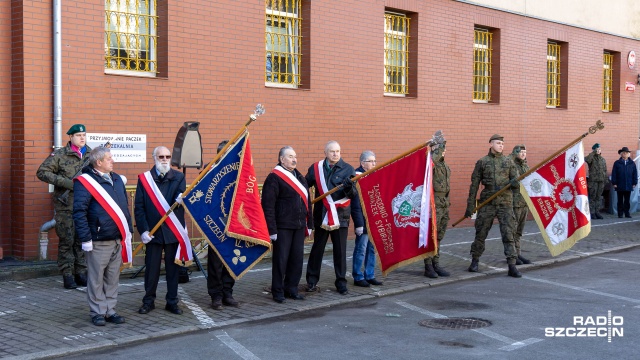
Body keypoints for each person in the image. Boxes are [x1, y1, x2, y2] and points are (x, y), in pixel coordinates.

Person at [73, 146, 132, 326]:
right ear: (99, 162)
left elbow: (124, 208)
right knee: (96, 278)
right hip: (98, 240)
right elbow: (79, 211)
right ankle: (98, 311)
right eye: (109, 158)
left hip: (117, 237)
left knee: (113, 277)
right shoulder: (85, 182)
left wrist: (127, 231)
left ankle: (110, 310)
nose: (112, 160)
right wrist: (86, 239)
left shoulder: (117, 179)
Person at [37, 124, 92, 289]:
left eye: (84, 135)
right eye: (78, 135)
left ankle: (81, 273)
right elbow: (42, 172)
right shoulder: (60, 155)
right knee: (67, 240)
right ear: (71, 137)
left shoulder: (90, 154)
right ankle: (68, 275)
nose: (82, 138)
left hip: (85, 204)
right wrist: (68, 183)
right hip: (66, 205)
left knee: (82, 239)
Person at [305, 141, 363, 295]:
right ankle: (311, 280)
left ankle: (341, 282)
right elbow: (304, 187)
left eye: (338, 151)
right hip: (322, 215)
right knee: (317, 250)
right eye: (332, 151)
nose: (335, 154)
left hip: (340, 217)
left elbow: (353, 196)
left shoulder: (348, 169)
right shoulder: (315, 168)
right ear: (325, 152)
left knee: (340, 251)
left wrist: (349, 187)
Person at [135, 146, 186, 315]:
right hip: (153, 232)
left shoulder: (179, 177)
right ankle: (148, 301)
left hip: (172, 231)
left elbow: (179, 202)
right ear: (154, 158)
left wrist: (182, 200)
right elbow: (139, 207)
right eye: (161, 156)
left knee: (173, 270)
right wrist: (143, 230)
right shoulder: (145, 179)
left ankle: (172, 301)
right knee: (151, 270)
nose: (165, 159)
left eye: (167, 156)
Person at [464, 134, 521, 278]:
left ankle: (512, 265)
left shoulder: (509, 162)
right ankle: (475, 260)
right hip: (487, 202)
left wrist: (515, 184)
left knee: (509, 233)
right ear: (491, 144)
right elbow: (474, 185)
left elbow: (517, 185)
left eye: (502, 143)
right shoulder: (482, 162)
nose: (501, 145)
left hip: (505, 203)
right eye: (498, 143)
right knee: (481, 232)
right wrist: (470, 206)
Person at [261, 146, 313, 303]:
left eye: (295, 156)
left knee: (296, 260)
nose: (294, 159)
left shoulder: (300, 177)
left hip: (298, 225)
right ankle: (277, 291)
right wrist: (272, 229)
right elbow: (268, 206)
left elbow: (308, 203)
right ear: (282, 159)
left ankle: (292, 288)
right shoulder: (274, 178)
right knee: (280, 260)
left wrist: (309, 223)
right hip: (282, 226)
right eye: (290, 156)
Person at [207, 140, 238, 310]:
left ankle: (228, 292)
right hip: (214, 223)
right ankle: (216, 295)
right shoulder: (210, 170)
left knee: (231, 260)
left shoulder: (238, 172)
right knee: (215, 263)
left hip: (233, 222)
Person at [352, 151, 383, 287]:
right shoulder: (356, 177)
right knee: (361, 249)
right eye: (371, 161)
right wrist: (359, 224)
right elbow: (356, 204)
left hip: (373, 220)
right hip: (363, 222)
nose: (374, 163)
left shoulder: (372, 176)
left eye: (375, 161)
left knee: (371, 249)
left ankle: (369, 275)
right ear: (362, 163)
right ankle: (358, 276)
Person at [423, 143, 452, 278]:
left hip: (444, 203)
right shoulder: (430, 163)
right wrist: (435, 151)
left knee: (439, 236)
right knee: (431, 235)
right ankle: (428, 266)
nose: (444, 151)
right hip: (433, 204)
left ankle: (436, 263)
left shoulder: (444, 165)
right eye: (441, 148)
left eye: (444, 148)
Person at [510, 145, 531, 265]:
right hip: (515, 202)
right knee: (512, 230)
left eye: (524, 151)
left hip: (524, 202)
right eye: (520, 152)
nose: (523, 154)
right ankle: (512, 255)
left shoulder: (526, 166)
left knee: (519, 231)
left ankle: (518, 253)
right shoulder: (511, 165)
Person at [611, 146, 637, 218]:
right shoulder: (617, 163)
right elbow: (614, 173)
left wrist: (634, 183)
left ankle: (627, 213)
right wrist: (614, 183)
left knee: (627, 200)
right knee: (620, 200)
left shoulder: (632, 163)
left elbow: (635, 173)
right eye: (624, 153)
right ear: (621, 154)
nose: (625, 154)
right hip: (619, 184)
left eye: (627, 153)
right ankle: (620, 214)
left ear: (629, 154)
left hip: (628, 184)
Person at [584, 143, 607, 220]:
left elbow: (605, 170)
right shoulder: (591, 158)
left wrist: (605, 180)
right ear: (594, 150)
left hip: (601, 181)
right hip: (593, 181)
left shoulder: (603, 159)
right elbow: (586, 159)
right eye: (597, 149)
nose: (599, 151)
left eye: (600, 149)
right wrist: (593, 153)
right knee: (593, 197)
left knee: (598, 197)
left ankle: (597, 212)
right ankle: (592, 212)